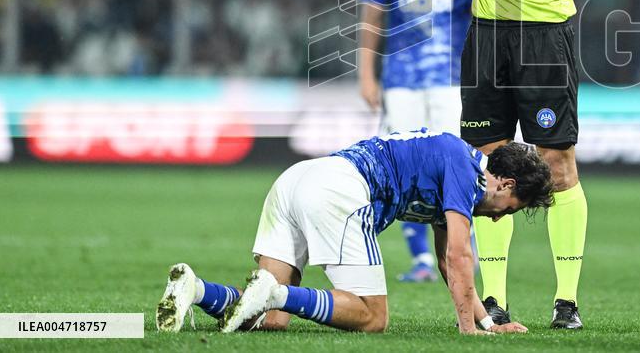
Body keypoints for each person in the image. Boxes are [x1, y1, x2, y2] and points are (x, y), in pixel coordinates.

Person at [457, 0, 640, 329]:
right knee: (487, 166)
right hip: (487, 38)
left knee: (557, 163)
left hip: (544, 40)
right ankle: (493, 301)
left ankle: (567, 302)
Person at [155, 130, 553, 335]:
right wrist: (470, 332)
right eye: (510, 210)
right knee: (372, 317)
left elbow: (449, 263)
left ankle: (197, 290)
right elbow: (461, 256)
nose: (500, 219)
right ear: (505, 184)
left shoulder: (454, 170)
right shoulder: (466, 174)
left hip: (298, 178)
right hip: (341, 188)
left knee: (269, 321)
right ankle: (273, 290)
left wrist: (486, 323)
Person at [357, 0, 475, 282]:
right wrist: (366, 75)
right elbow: (372, 19)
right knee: (401, 165)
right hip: (401, 78)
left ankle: (461, 248)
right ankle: (421, 260)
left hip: (451, 78)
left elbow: (481, 13)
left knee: (455, 163)